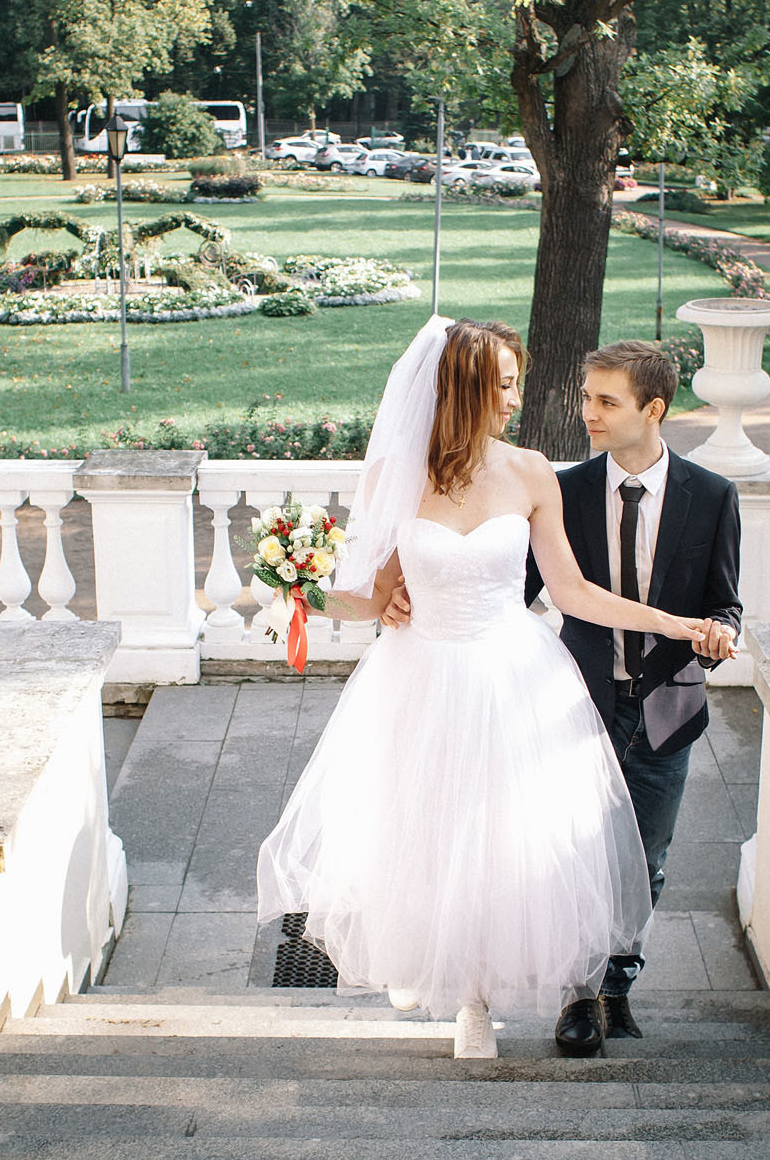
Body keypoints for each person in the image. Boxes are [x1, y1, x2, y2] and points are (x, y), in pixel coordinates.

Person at [255, 318, 728, 1060]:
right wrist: (297, 585)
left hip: (516, 677)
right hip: (424, 678)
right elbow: (373, 598)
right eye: (505, 384)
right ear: (467, 388)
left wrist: (672, 621)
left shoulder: (532, 473)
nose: (517, 399)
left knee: (517, 841)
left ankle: (531, 991)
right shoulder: (395, 479)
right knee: (439, 838)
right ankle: (467, 1002)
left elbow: (572, 592)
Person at [523, 341, 742, 1056]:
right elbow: (515, 591)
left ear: (654, 409)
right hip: (577, 705)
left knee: (645, 859)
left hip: (665, 710)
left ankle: (618, 984)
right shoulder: (564, 490)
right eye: (587, 396)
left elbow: (725, 603)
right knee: (576, 851)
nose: (587, 412)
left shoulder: (711, 497)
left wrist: (717, 636)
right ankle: (578, 995)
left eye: (605, 401)